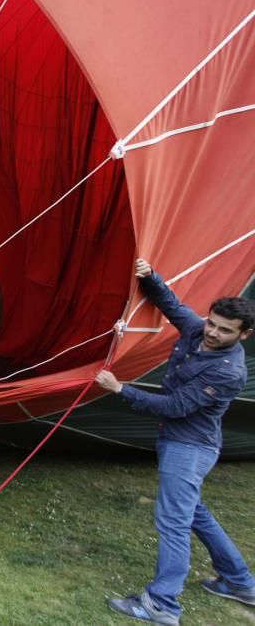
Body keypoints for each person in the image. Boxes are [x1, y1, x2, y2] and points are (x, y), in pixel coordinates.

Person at [96, 258, 255, 625]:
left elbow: (175, 406)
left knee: (173, 521)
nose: (213, 333)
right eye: (212, 323)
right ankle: (240, 583)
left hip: (190, 448)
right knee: (193, 512)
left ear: (243, 334)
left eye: (225, 330)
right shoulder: (199, 331)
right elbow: (172, 306)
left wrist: (121, 389)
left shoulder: (228, 371)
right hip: (181, 444)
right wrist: (151, 276)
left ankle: (162, 605)